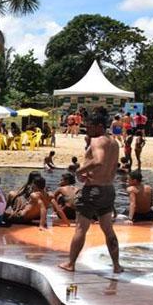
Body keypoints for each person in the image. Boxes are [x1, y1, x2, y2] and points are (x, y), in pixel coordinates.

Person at [59, 107, 122, 273]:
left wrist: (79, 171)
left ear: (99, 126)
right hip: (108, 189)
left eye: (89, 126)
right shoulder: (114, 142)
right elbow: (111, 166)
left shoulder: (98, 141)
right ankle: (116, 265)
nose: (87, 129)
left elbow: (99, 160)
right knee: (108, 229)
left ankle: (70, 263)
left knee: (81, 228)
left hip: (93, 191)